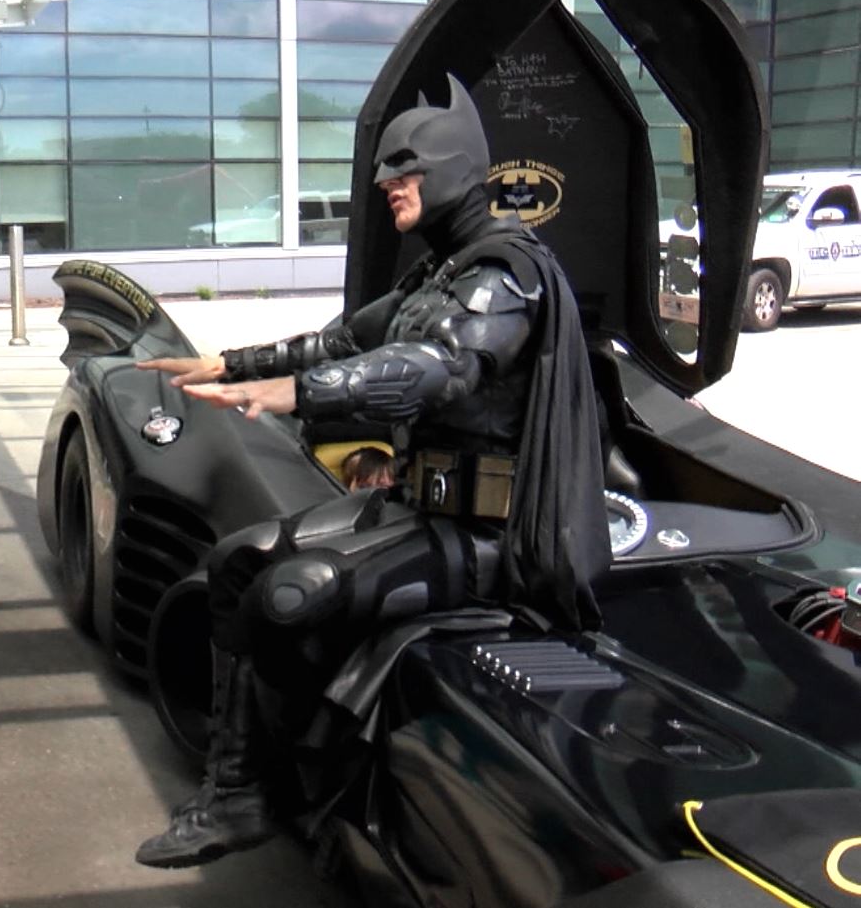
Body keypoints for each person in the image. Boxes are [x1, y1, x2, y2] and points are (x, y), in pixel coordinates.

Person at [131, 74, 609, 868]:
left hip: (492, 540)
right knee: (236, 561)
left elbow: (438, 367)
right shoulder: (440, 275)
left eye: (407, 169)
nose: (389, 183)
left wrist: (295, 394)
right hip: (419, 511)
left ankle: (316, 774)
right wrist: (228, 360)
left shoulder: (505, 274)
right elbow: (339, 341)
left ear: (455, 167)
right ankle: (240, 789)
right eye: (387, 170)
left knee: (290, 594)